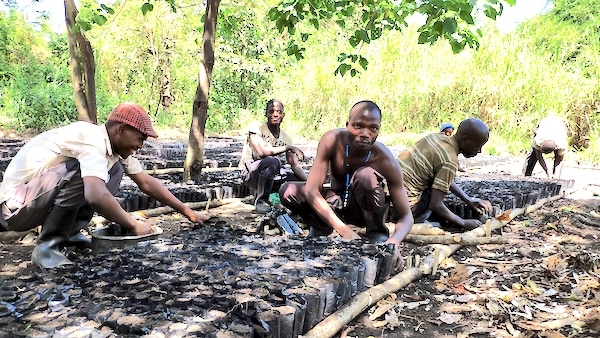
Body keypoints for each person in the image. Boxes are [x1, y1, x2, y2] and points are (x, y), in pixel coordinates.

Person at [0, 102, 209, 269]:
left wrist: (188, 212)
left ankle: (70, 235)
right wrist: (133, 224)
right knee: (81, 174)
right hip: (15, 208)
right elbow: (96, 196)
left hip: (36, 201)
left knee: (114, 170)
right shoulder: (91, 139)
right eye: (139, 139)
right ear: (121, 129)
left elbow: (146, 182)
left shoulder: (115, 150)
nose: (140, 146)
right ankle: (47, 247)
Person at [279, 100, 413, 248]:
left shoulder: (384, 158)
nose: (365, 134)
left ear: (379, 130)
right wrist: (344, 231)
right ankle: (321, 226)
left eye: (373, 128)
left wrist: (394, 242)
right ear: (347, 124)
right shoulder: (332, 140)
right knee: (288, 191)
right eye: (358, 126)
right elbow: (311, 190)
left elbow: (406, 216)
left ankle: (376, 232)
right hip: (335, 204)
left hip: (362, 212)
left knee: (366, 176)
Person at [397, 118, 493, 231]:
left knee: (436, 185)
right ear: (465, 139)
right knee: (434, 193)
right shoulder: (450, 161)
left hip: (389, 196)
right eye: (477, 146)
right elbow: (435, 205)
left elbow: (443, 178)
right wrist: (462, 222)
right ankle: (416, 219)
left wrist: (468, 199)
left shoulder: (436, 137)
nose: (479, 151)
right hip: (403, 207)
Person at [239, 99, 307, 214]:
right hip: (250, 172)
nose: (275, 115)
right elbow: (262, 152)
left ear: (283, 116)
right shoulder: (256, 128)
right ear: (266, 114)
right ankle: (261, 200)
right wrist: (287, 148)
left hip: (272, 174)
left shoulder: (286, 138)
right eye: (272, 111)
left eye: (279, 112)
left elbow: (295, 166)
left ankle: (288, 200)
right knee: (272, 162)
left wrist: (309, 182)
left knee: (297, 180)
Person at [523, 115, 568, 179]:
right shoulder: (538, 140)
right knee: (533, 155)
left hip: (558, 125)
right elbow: (539, 156)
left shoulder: (561, 143)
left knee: (558, 158)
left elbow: (560, 160)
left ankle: (555, 178)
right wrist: (547, 171)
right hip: (544, 123)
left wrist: (556, 176)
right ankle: (526, 176)